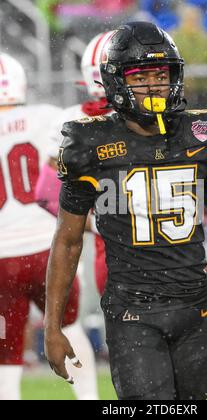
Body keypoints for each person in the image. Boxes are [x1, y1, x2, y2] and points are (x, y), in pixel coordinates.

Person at [44, 22, 207, 400]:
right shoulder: (91, 141)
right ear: (116, 82)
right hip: (133, 311)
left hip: (195, 310)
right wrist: (53, 326)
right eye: (141, 76)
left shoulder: (204, 133)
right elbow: (67, 241)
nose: (154, 85)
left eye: (161, 74)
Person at [0, 53, 96, 400]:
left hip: (2, 256)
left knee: (6, 346)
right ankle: (89, 399)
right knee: (69, 326)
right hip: (48, 246)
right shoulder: (46, 118)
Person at [35, 31, 114, 297]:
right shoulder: (146, 120)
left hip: (107, 247)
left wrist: (92, 224)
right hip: (142, 248)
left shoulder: (70, 120)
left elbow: (45, 196)